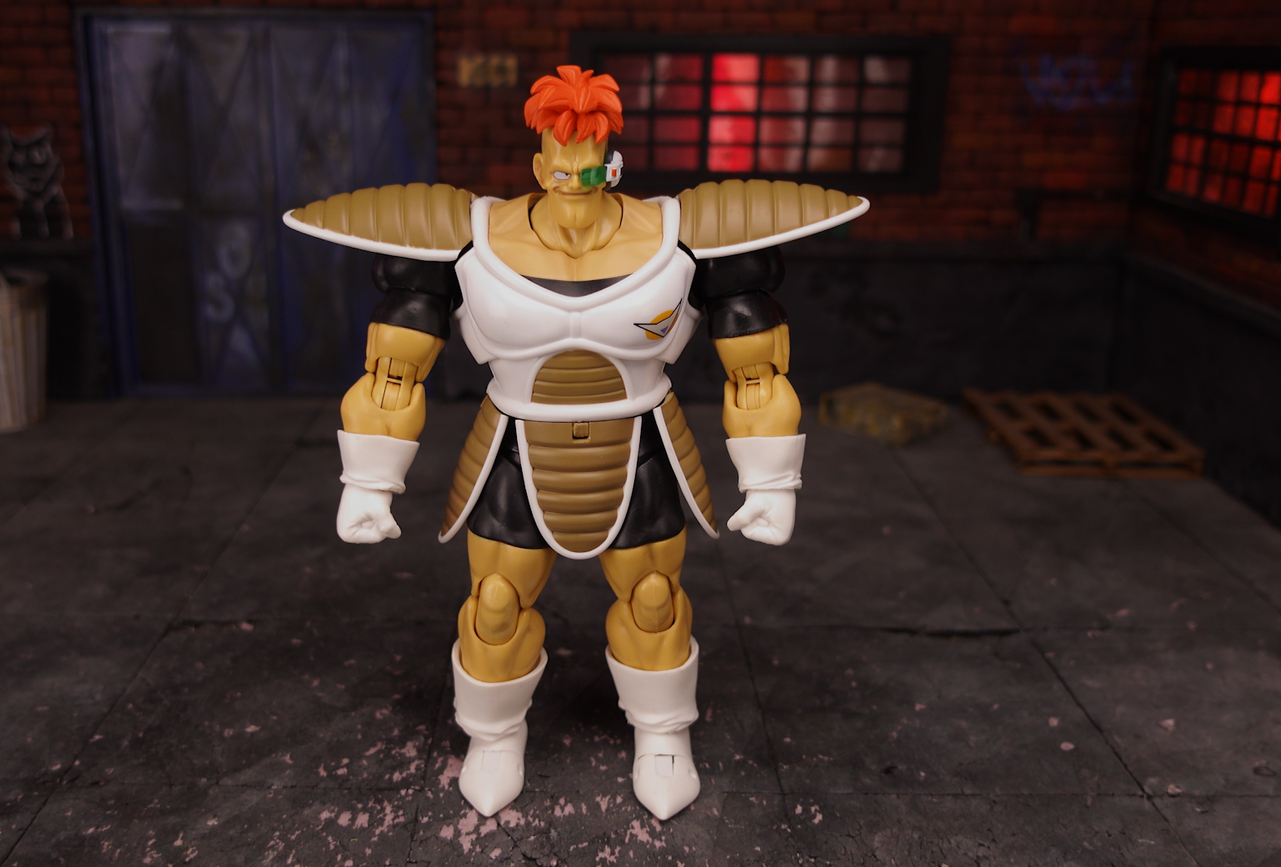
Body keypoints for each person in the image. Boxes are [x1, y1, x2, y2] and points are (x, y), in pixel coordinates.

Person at [283, 65, 867, 820]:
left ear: (611, 165)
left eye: (590, 171)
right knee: (495, 604)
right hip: (515, 448)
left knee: (654, 599)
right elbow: (393, 372)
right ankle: (495, 736)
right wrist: (368, 480)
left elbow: (754, 373)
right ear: (539, 166)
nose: (575, 187)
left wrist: (771, 481)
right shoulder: (470, 238)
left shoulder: (679, 237)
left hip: (641, 443)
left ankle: (662, 732)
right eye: (562, 171)